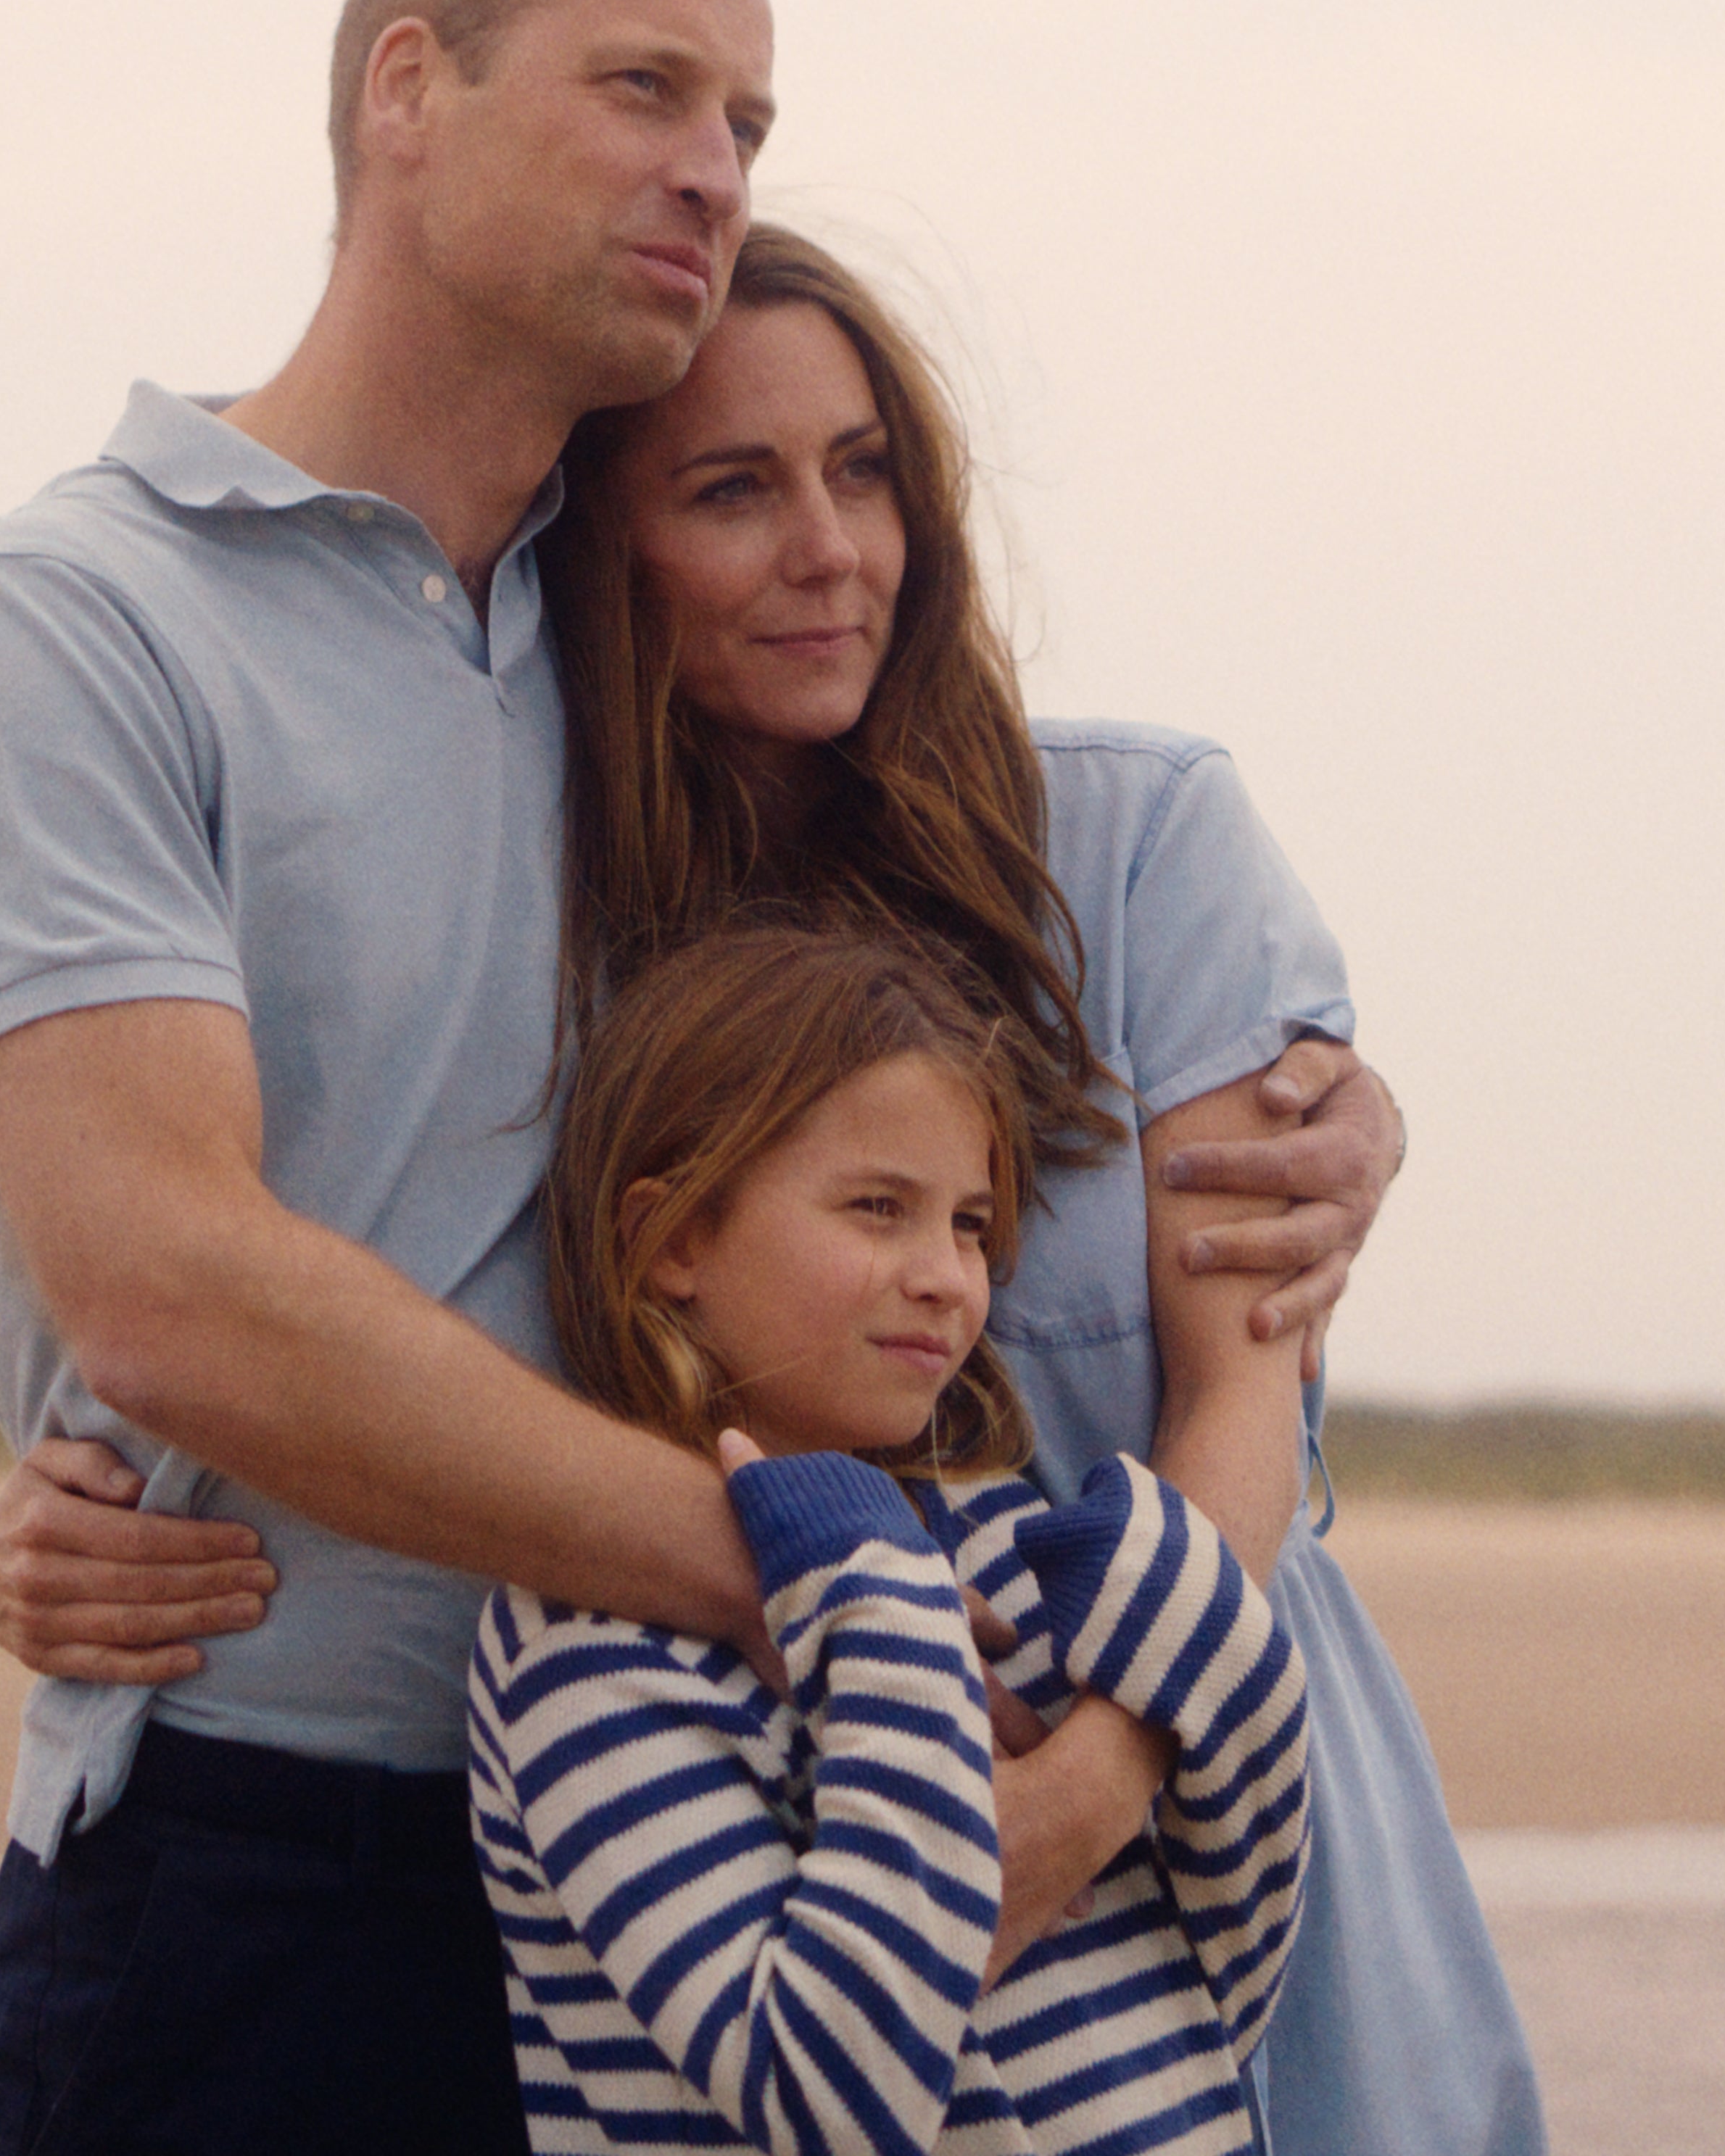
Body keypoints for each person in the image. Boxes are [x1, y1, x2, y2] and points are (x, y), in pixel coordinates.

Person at [0, 0, 1404, 2156]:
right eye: (646, 88)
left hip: (677, 1873)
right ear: (411, 90)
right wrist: (808, 1579)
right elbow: (171, 1289)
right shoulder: (81, 621)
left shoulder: (635, 693)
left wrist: (1337, 1100)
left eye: (752, 123)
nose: (715, 164)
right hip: (270, 1851)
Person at [471, 916, 1306, 2156]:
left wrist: (1198, 1621)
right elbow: (826, 2096)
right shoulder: (583, 1643)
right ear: (675, 1239)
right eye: (879, 1208)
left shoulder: (1006, 1536)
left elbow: (1229, 1961)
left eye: (970, 1225)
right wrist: (873, 1594)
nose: (947, 1276)